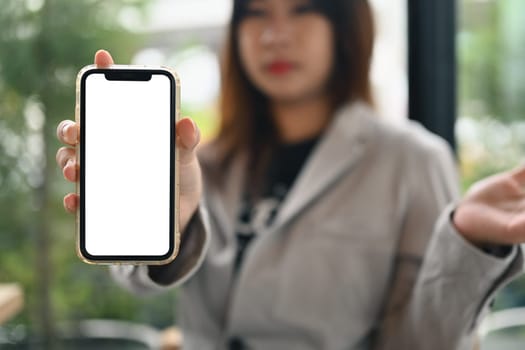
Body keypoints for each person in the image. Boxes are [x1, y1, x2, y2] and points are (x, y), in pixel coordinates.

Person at [56, 0, 525, 349]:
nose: (274, 35)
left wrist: (467, 244)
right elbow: (133, 280)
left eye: (302, 10)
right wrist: (172, 226)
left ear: (345, 28)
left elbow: (421, 340)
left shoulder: (412, 160)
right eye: (256, 14)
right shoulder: (200, 160)